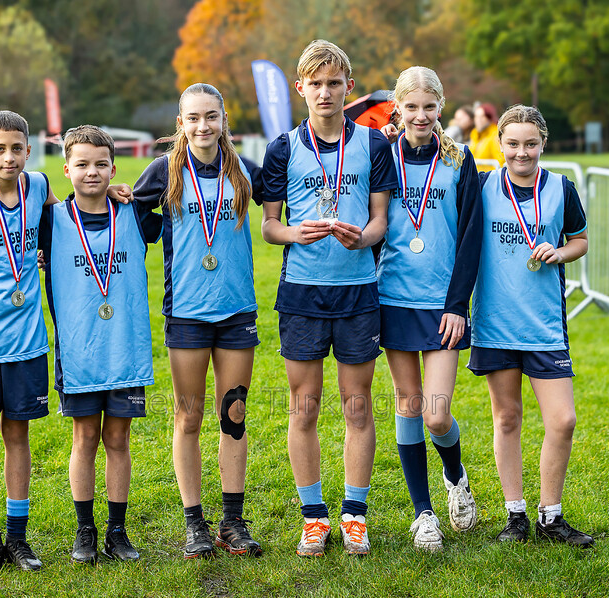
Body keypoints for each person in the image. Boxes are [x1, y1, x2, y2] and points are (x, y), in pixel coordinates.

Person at [0, 111, 132, 574]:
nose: (9, 156)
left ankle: (19, 540)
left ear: (29, 150)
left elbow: (73, 215)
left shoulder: (40, 188)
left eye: (17, 148)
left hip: (27, 339)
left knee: (18, 434)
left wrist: (115, 191)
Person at [261, 39, 398, 557]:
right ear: (300, 89)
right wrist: (297, 233)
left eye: (333, 83)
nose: (324, 92)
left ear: (349, 88)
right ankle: (314, 516)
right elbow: (270, 227)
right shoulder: (282, 148)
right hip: (301, 294)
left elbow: (381, 219)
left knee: (357, 407)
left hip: (359, 291)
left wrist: (362, 237)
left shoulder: (373, 145)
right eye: (315, 84)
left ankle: (354, 515)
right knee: (305, 408)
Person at [132, 83, 263, 559]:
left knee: (234, 415)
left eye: (211, 116)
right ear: (181, 123)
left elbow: (290, 187)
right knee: (188, 417)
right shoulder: (164, 169)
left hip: (236, 312)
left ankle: (232, 521)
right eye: (193, 118)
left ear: (224, 119)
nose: (203, 126)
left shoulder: (245, 170)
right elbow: (134, 209)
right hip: (186, 314)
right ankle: (194, 524)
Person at [468, 104, 594, 547]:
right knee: (507, 419)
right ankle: (516, 515)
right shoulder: (482, 186)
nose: (522, 153)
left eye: (531, 144)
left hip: (543, 325)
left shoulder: (561, 188)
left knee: (563, 420)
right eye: (513, 143)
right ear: (500, 143)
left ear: (544, 143)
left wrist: (559, 253)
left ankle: (551, 516)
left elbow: (578, 240)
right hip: (496, 322)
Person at [39, 126, 160, 564]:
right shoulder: (49, 222)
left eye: (101, 164)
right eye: (83, 164)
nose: (92, 172)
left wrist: (128, 192)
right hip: (80, 354)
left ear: (114, 168)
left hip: (124, 350)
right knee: (84, 438)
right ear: (66, 169)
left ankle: (118, 531)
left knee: (119, 441)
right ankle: (85, 531)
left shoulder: (135, 213)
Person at [377, 67, 482, 552]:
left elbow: (470, 239)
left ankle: (455, 477)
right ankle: (423, 514)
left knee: (437, 415)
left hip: (443, 305)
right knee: (409, 404)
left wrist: (458, 304)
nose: (420, 116)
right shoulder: (382, 158)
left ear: (441, 106)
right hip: (393, 299)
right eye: (410, 107)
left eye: (429, 106)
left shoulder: (461, 161)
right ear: (397, 108)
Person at [470, 103, 505, 171]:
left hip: (488, 178)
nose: (478, 120)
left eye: (482, 116)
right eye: (476, 116)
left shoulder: (495, 136)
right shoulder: (474, 135)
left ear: (489, 118)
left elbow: (501, 162)